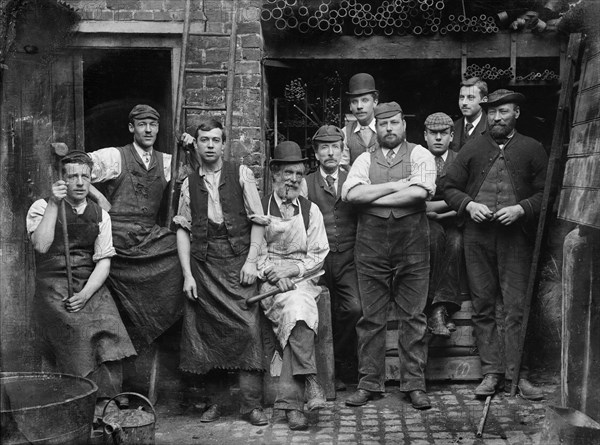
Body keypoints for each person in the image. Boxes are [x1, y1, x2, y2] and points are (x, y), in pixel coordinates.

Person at [444, 89, 548, 400]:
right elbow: (447, 185)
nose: (497, 118)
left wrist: (522, 209)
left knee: (517, 307)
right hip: (478, 238)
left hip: (516, 239)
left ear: (517, 113)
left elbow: (547, 193)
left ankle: (518, 376)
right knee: (483, 306)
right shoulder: (472, 149)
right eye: (492, 112)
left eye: (503, 112)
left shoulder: (533, 149)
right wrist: (468, 204)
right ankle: (491, 373)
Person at [342, 102, 437, 410]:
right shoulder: (363, 159)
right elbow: (351, 195)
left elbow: (420, 193)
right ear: (377, 128)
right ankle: (369, 383)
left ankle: (414, 385)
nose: (389, 129)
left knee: (414, 317)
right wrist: (397, 185)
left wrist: (374, 197)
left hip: (412, 246)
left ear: (404, 124)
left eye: (395, 123)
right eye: (384, 125)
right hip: (370, 247)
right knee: (370, 318)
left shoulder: (421, 154)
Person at [174, 119, 268, 425]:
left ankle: (251, 404)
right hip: (205, 266)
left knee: (248, 329)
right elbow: (183, 230)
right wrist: (188, 274)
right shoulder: (189, 183)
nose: (210, 145)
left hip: (239, 263)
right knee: (209, 331)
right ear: (197, 144)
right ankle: (215, 403)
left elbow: (257, 220)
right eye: (204, 140)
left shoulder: (240, 174)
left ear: (223, 144)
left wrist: (252, 261)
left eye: (216, 140)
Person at [27, 151, 136, 414]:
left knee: (110, 322)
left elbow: (104, 262)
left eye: (84, 177)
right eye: (72, 176)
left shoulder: (101, 215)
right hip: (54, 284)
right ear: (62, 179)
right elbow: (41, 246)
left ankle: (109, 394)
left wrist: (87, 294)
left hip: (89, 282)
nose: (79, 182)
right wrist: (55, 203)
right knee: (77, 326)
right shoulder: (42, 207)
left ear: (90, 180)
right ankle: (83, 395)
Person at [89, 104, 183, 346]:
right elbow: (75, 164)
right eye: (142, 125)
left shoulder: (167, 161)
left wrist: (191, 149)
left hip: (149, 236)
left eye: (153, 125)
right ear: (132, 128)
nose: (148, 130)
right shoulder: (115, 156)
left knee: (183, 252)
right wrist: (99, 197)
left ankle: (160, 328)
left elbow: (197, 173)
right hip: (118, 236)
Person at [258, 141, 330, 431]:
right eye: (288, 173)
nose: (294, 180)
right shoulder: (261, 207)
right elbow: (254, 251)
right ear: (275, 172)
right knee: (294, 310)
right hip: (270, 281)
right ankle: (310, 380)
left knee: (299, 305)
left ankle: (290, 405)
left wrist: (295, 269)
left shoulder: (311, 210)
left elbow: (319, 252)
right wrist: (274, 272)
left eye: (299, 174)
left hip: (301, 278)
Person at [304, 125, 362, 391]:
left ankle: (345, 365)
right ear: (316, 154)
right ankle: (324, 373)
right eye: (324, 148)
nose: (330, 153)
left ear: (342, 151)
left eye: (335, 147)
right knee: (317, 311)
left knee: (353, 309)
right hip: (319, 260)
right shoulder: (305, 183)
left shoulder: (355, 179)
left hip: (349, 258)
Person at [423, 112, 465, 338]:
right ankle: (435, 307)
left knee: (457, 242)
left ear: (451, 136)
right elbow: (421, 204)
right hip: (426, 221)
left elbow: (468, 197)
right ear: (425, 136)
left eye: (443, 134)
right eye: (433, 133)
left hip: (453, 217)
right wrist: (442, 207)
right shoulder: (418, 159)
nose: (438, 138)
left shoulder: (460, 160)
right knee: (433, 239)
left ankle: (440, 307)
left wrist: (447, 210)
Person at [340, 73, 380, 170]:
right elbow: (342, 167)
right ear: (350, 106)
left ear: (375, 102)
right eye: (354, 102)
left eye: (365, 100)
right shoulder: (345, 133)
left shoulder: (385, 129)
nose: (359, 106)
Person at [451, 77, 488, 152]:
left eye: (470, 98)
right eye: (461, 97)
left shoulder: (492, 128)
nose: (464, 103)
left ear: (484, 101)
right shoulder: (452, 127)